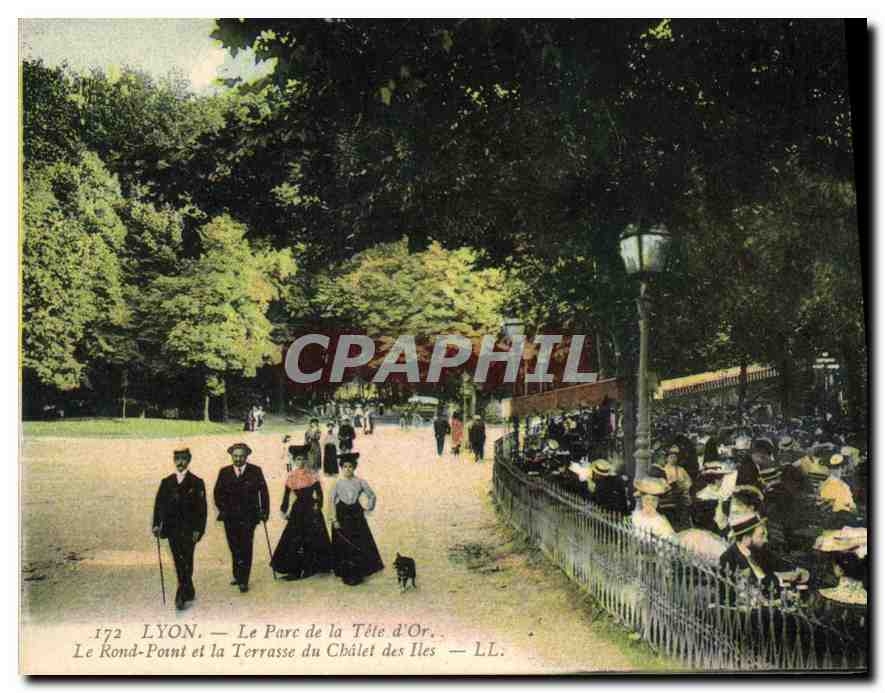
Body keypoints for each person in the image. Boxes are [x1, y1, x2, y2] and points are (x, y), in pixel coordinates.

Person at [152, 448, 207, 610]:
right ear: (173, 460)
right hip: (172, 529)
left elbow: (202, 510)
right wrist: (156, 524)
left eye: (183, 459)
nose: (180, 463)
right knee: (178, 559)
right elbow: (158, 505)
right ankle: (186, 590)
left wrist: (199, 529)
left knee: (187, 559)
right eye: (177, 459)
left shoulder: (197, 482)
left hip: (190, 530)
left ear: (189, 460)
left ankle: (182, 592)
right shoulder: (166, 482)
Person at [213, 443, 270, 593]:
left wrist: (264, 511)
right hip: (230, 517)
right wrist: (223, 508)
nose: (238, 459)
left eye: (241, 456)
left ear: (247, 457)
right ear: (231, 456)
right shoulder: (224, 472)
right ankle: (237, 575)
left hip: (249, 516)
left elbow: (263, 492)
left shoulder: (255, 471)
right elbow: (217, 493)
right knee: (234, 546)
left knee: (245, 546)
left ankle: (243, 579)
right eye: (235, 456)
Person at [271, 445, 334, 580]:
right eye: (299, 459)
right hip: (298, 509)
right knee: (294, 537)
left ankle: (313, 567)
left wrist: (318, 505)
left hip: (311, 508)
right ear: (294, 460)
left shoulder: (312, 475)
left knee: (313, 537)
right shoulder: (291, 476)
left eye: (304, 459)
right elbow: (287, 495)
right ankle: (294, 569)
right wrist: (284, 509)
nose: (301, 462)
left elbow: (320, 493)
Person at [330, 453, 384, 585]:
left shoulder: (360, 482)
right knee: (344, 543)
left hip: (356, 514)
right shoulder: (337, 483)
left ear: (354, 467)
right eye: (345, 466)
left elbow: (371, 495)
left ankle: (359, 571)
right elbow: (331, 501)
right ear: (341, 468)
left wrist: (368, 507)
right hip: (342, 514)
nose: (348, 469)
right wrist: (334, 519)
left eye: (350, 466)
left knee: (359, 540)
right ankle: (346, 572)